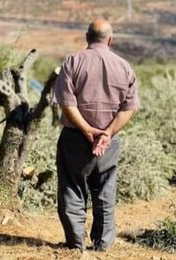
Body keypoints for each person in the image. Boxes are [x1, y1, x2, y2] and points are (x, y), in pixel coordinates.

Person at [52, 18, 140, 251]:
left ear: (87, 38)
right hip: (108, 143)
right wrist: (107, 133)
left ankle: (75, 245)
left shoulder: (72, 62)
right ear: (110, 40)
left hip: (74, 138)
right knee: (105, 190)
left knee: (72, 189)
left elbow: (66, 104)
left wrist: (86, 129)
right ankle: (102, 245)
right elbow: (129, 108)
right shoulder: (124, 66)